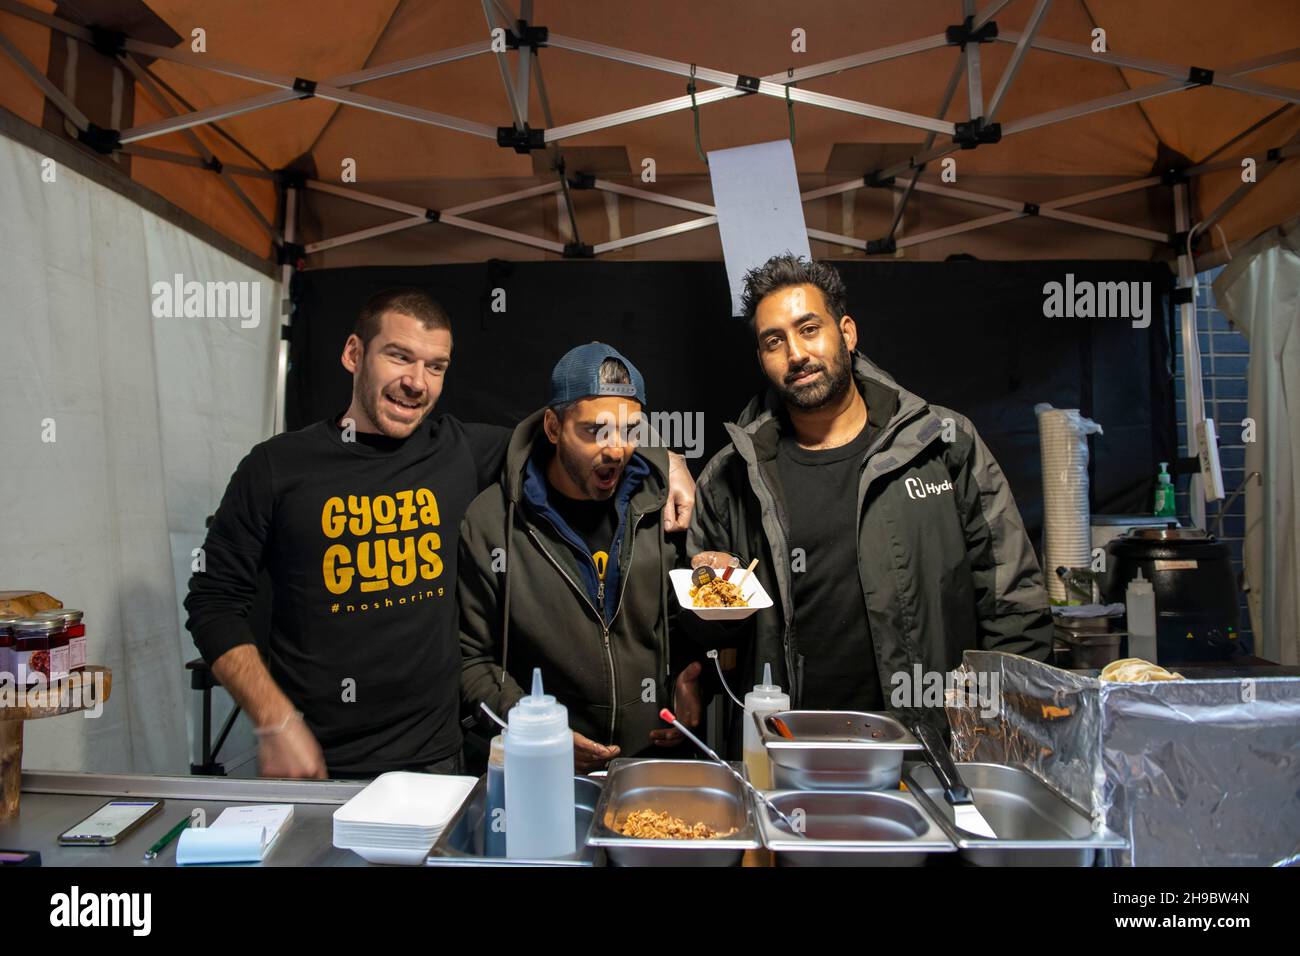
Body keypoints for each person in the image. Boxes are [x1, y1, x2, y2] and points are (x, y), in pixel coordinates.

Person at [185, 289, 696, 779]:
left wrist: (668, 460)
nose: (417, 382)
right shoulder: (276, 467)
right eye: (399, 357)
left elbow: (582, 432)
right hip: (314, 758)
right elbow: (212, 601)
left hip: (437, 757)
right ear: (353, 353)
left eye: (436, 367)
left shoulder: (460, 451)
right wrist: (273, 717)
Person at [685, 254, 1051, 748]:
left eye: (809, 329)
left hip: (928, 755)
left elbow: (1013, 606)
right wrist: (712, 595)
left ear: (848, 332)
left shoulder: (942, 444)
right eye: (775, 341)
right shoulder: (731, 476)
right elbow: (705, 645)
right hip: (785, 757)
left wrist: (1001, 740)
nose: (795, 354)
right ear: (762, 359)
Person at [459, 344, 703, 772]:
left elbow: (677, 622)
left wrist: (687, 676)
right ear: (553, 427)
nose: (616, 450)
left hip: (650, 764)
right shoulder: (491, 521)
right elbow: (470, 659)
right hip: (540, 770)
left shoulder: (661, 508)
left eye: (630, 430)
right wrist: (535, 729)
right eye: (595, 431)